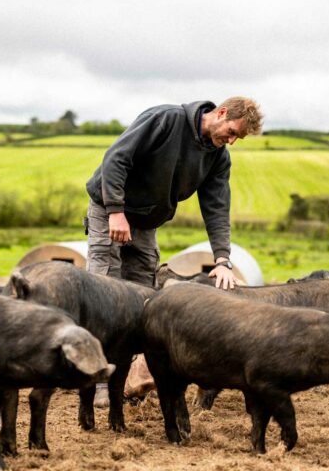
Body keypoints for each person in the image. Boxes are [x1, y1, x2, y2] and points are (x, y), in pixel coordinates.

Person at [84, 97, 263, 406]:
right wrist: (115, 210)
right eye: (232, 131)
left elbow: (217, 208)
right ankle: (97, 382)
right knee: (105, 287)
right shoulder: (165, 120)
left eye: (238, 138)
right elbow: (116, 158)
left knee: (142, 296)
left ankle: (127, 379)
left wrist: (222, 260)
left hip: (147, 220)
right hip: (109, 207)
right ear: (220, 113)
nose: (231, 141)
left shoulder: (218, 157)